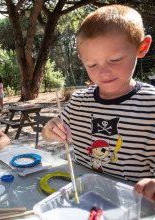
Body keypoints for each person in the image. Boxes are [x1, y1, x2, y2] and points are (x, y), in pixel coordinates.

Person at [42, 5, 155, 205]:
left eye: (115, 59)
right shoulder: (79, 102)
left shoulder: (151, 105)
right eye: (92, 65)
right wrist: (51, 130)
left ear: (142, 47)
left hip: (130, 206)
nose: (103, 72)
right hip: (83, 198)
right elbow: (48, 134)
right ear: (82, 60)